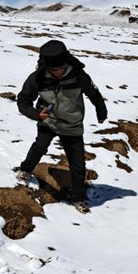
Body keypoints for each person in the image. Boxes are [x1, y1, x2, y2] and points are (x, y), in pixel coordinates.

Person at [15, 40, 107, 214]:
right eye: (54, 69)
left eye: (62, 68)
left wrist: (101, 113)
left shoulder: (79, 75)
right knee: (39, 147)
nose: (59, 72)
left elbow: (95, 94)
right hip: (48, 121)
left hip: (72, 124)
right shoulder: (37, 78)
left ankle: (78, 198)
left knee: (77, 163)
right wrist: (37, 115)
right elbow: (23, 100)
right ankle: (25, 170)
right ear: (47, 66)